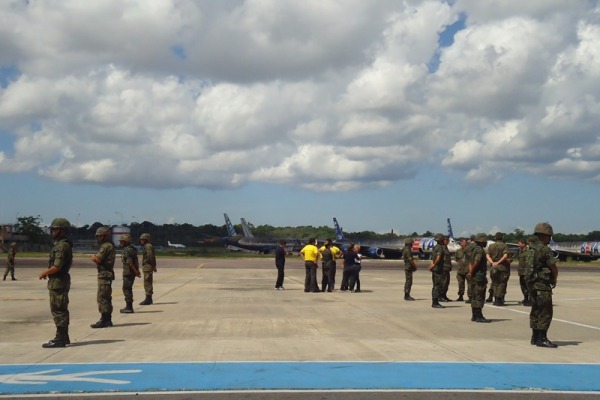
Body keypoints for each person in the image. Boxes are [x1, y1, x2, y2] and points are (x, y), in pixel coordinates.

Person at [39, 218, 73, 348]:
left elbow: (57, 266)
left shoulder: (62, 246)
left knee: (58, 309)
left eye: (55, 229)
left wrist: (45, 272)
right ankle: (64, 336)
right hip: (59, 280)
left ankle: (60, 338)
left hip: (58, 281)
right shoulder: (62, 244)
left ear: (62, 231)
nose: (53, 231)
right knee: (60, 308)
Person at [527, 222, 559, 348]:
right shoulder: (545, 249)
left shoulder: (531, 248)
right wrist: (554, 278)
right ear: (546, 235)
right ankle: (542, 338)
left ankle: (535, 337)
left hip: (532, 283)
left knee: (535, 309)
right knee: (545, 311)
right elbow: (553, 266)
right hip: (542, 284)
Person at [90, 226, 115, 328]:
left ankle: (104, 320)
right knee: (106, 297)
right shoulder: (110, 245)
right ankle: (107, 319)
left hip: (104, 275)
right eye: (98, 236)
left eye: (101, 236)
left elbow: (98, 259)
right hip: (106, 274)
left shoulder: (105, 246)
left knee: (102, 297)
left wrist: (93, 257)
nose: (99, 238)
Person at [467, 234, 491, 323]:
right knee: (479, 295)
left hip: (474, 276)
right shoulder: (480, 250)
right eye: (485, 241)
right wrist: (472, 272)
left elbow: (470, 262)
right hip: (479, 276)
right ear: (481, 242)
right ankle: (478, 316)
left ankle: (474, 315)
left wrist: (470, 272)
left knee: (474, 295)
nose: (486, 243)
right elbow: (476, 262)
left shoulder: (473, 249)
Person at [486, 232, 511, 306]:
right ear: (502, 238)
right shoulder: (504, 246)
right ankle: (499, 299)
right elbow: (505, 255)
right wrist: (498, 262)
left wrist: (493, 262)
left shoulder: (491, 246)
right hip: (502, 267)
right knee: (502, 283)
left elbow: (487, 255)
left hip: (494, 268)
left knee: (495, 283)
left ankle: (496, 298)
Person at [119, 234, 141, 313]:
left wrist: (136, 272)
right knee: (128, 288)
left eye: (122, 241)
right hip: (131, 272)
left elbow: (130, 263)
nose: (120, 243)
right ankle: (128, 306)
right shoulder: (132, 249)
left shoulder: (127, 250)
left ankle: (129, 307)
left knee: (127, 289)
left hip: (128, 272)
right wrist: (136, 271)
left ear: (126, 242)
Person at [428, 233, 446, 308]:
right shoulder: (440, 248)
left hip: (435, 269)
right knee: (437, 286)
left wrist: (433, 265)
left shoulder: (435, 247)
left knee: (435, 285)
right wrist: (434, 265)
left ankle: (435, 301)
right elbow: (438, 258)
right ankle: (435, 302)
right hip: (438, 269)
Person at [139, 233, 157, 305]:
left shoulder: (148, 246)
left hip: (148, 266)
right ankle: (148, 298)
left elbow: (150, 256)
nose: (141, 241)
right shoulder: (147, 246)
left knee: (147, 283)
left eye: (143, 239)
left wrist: (153, 266)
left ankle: (148, 299)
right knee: (147, 282)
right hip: (147, 266)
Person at [516, 237, 531, 306]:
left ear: (523, 243)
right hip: (521, 272)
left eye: (519, 243)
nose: (518, 244)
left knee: (528, 285)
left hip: (526, 272)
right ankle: (525, 298)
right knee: (523, 286)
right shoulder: (521, 250)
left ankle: (529, 300)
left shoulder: (528, 251)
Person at [440, 236, 453, 302]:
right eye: (446, 240)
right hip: (443, 268)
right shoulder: (441, 248)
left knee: (446, 283)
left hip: (447, 268)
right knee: (443, 283)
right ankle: (441, 296)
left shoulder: (446, 248)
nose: (447, 241)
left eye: (448, 240)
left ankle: (444, 295)